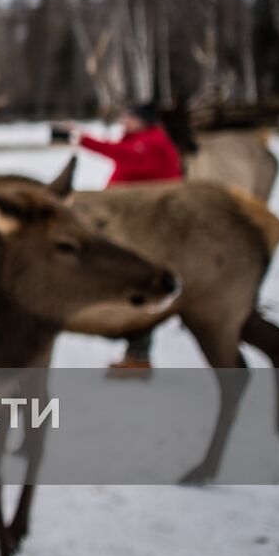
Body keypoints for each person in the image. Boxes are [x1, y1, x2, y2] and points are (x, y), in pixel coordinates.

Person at [54, 104, 183, 378]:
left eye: (130, 118)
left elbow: (122, 155)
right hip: (133, 224)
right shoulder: (140, 140)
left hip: (147, 228)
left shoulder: (151, 143)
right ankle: (135, 352)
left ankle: (138, 354)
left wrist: (82, 137)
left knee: (141, 284)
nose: (124, 122)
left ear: (144, 121)